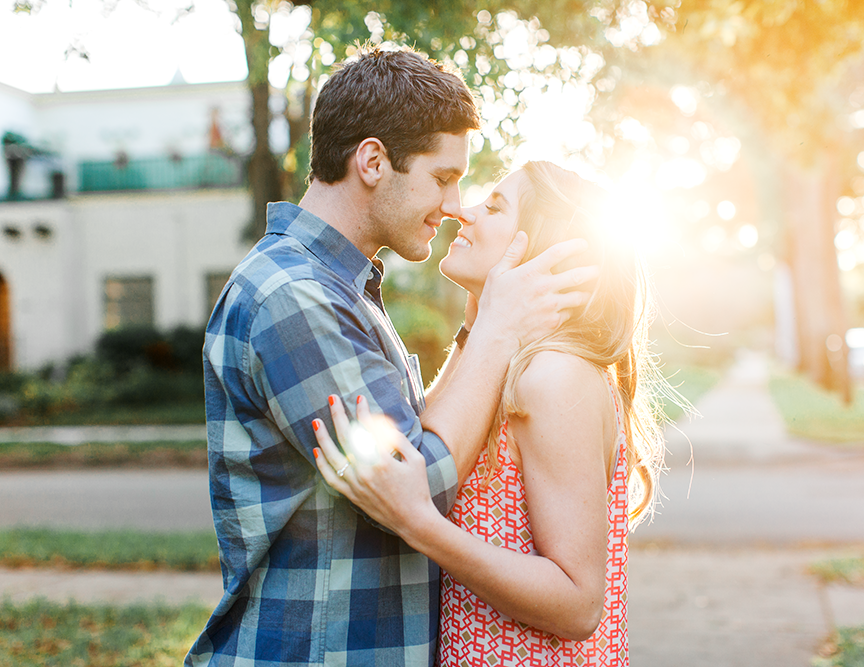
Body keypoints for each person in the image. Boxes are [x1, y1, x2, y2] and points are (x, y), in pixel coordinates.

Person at [185, 50, 597, 667]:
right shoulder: (293, 298)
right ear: (373, 161)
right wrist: (498, 332)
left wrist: (475, 332)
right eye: (441, 177)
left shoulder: (341, 289)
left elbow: (411, 435)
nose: (455, 204)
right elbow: (419, 485)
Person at [314, 161, 676, 666]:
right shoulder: (501, 362)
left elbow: (578, 603)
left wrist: (420, 525)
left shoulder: (554, 377)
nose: (463, 212)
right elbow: (427, 452)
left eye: (495, 206)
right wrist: (477, 329)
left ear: (539, 250)